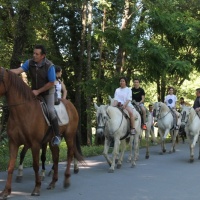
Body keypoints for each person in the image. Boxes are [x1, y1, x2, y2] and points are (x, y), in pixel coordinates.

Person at [11, 44, 61, 146]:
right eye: (34, 53)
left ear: (43, 56)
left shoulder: (50, 66)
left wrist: (38, 91)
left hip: (47, 93)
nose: (34, 55)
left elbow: (52, 82)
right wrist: (5, 71)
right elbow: (18, 70)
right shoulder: (30, 63)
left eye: (37, 54)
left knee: (51, 111)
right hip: (33, 92)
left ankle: (57, 135)